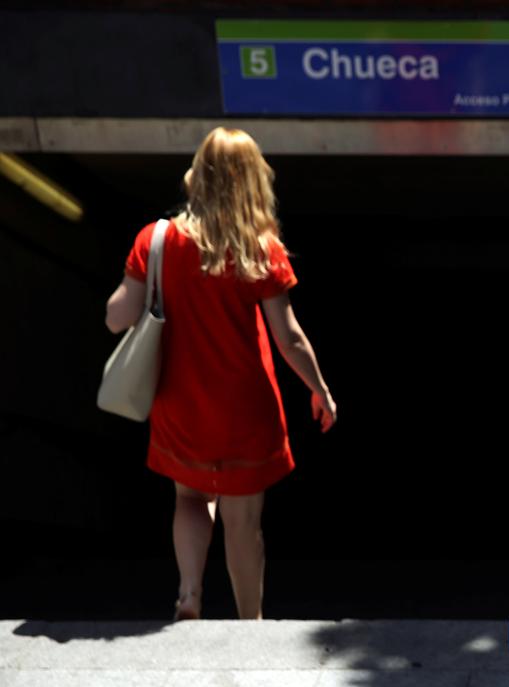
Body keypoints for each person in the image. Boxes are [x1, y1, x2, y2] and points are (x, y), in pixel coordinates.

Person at [104, 127, 336, 620]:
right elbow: (288, 336)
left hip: (179, 401)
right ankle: (249, 622)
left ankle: (189, 593)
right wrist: (319, 389)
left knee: (189, 496)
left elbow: (116, 317)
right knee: (243, 520)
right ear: (252, 180)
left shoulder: (158, 239)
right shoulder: (260, 249)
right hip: (245, 408)